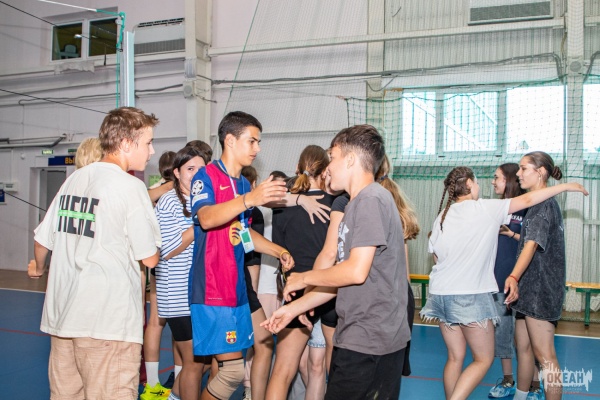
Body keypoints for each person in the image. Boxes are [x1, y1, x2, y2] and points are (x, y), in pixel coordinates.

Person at [263, 124, 411, 400]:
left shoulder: (370, 200)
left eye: (333, 157)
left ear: (351, 159)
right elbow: (340, 280)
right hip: (362, 335)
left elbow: (355, 271)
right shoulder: (356, 203)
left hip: (370, 340)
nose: (328, 167)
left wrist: (303, 278)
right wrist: (294, 308)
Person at [420, 165, 587, 400]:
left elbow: (436, 257)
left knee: (455, 357)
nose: (481, 186)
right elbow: (528, 199)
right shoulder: (485, 208)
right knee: (483, 359)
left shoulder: (442, 217)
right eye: (477, 182)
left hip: (439, 295)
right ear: (469, 184)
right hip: (469, 296)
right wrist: (566, 186)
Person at [30, 107, 161, 400]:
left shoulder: (73, 180)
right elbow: (149, 257)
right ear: (126, 143)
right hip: (107, 323)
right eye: (148, 142)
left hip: (64, 321)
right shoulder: (130, 186)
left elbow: (41, 241)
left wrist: (38, 268)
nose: (151, 151)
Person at [189, 111, 294, 400]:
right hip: (211, 289)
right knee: (232, 372)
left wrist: (278, 251)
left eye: (258, 142)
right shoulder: (206, 176)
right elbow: (206, 218)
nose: (257, 148)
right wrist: (250, 200)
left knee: (227, 368)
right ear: (230, 140)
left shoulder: (244, 185)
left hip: (236, 288)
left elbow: (243, 234)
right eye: (252, 141)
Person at [504, 152, 584, 400]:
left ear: (540, 172)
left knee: (545, 356)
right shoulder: (537, 204)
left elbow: (532, 244)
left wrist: (513, 276)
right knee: (523, 348)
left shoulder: (543, 205)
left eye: (523, 168)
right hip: (529, 289)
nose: (518, 174)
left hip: (540, 290)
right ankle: (521, 396)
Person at [266, 145, 333, 400]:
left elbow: (280, 250)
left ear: (297, 168)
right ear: (326, 171)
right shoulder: (337, 204)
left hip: (296, 289)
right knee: (325, 369)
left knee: (283, 370)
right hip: (330, 290)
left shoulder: (282, 206)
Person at [154, 145, 212, 400]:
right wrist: (199, 223)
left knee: (208, 361)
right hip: (177, 293)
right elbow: (166, 250)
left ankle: (173, 397)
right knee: (194, 363)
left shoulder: (204, 199)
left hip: (201, 291)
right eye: (190, 169)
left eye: (201, 169)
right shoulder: (169, 202)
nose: (197, 174)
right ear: (177, 173)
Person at [28, 137, 103, 278]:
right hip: (98, 279)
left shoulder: (68, 186)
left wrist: (38, 269)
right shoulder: (112, 187)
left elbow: (41, 242)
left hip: (64, 280)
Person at [375, 155, 420, 377]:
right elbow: (404, 257)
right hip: (401, 290)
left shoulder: (373, 202)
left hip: (383, 293)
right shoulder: (394, 199)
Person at [143, 150, 179, 400]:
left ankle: (156, 382)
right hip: (170, 262)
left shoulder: (155, 191)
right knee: (173, 323)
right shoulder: (168, 192)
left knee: (158, 321)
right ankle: (169, 382)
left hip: (160, 262)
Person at [487, 163, 526, 399]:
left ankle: (533, 384)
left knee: (525, 338)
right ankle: (508, 379)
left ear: (509, 180)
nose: (493, 182)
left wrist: (511, 233)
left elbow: (533, 243)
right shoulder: (495, 208)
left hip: (522, 282)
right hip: (498, 280)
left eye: (497, 177)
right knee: (501, 334)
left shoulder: (527, 208)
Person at [240, 165, 275, 400]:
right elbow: (250, 252)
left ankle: (252, 392)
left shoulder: (253, 214)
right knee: (227, 358)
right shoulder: (238, 211)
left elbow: (249, 245)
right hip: (235, 286)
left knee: (260, 344)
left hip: (242, 285)